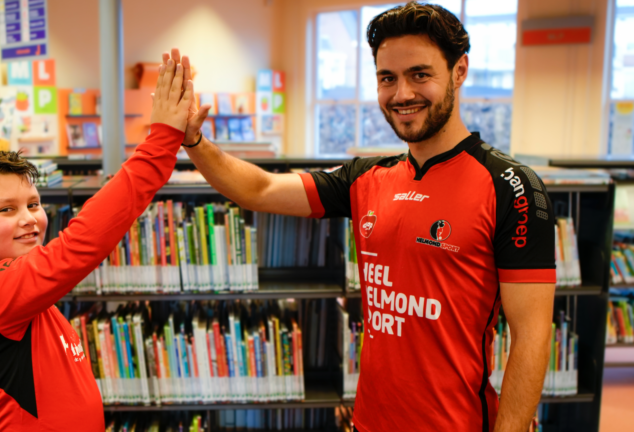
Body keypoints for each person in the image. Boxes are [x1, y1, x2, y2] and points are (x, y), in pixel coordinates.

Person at [171, 3, 556, 431]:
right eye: (387, 79)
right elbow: (258, 189)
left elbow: (532, 336)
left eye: (420, 74)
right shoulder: (366, 177)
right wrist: (195, 141)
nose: (402, 94)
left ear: (459, 71)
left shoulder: (512, 187)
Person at [0, 59, 194, 431]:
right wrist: (161, 141)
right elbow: (83, 242)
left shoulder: (17, 288)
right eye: (6, 209)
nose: (29, 219)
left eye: (33, 204)